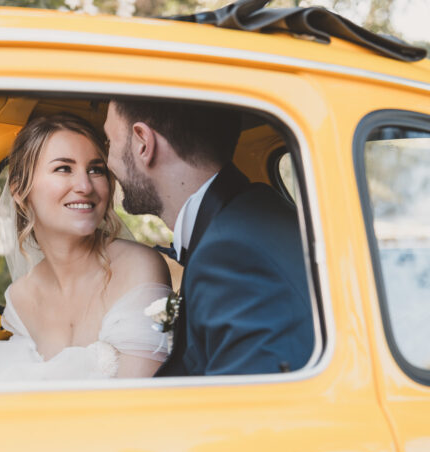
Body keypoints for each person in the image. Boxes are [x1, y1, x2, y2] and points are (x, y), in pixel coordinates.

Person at [103, 99, 313, 376]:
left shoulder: (233, 254)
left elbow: (246, 408)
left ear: (143, 143)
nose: (108, 162)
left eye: (110, 143)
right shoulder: (251, 210)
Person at [0, 113, 172, 381]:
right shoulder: (19, 299)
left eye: (96, 170)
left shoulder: (138, 267)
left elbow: (137, 403)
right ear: (19, 189)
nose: (85, 186)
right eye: (63, 168)